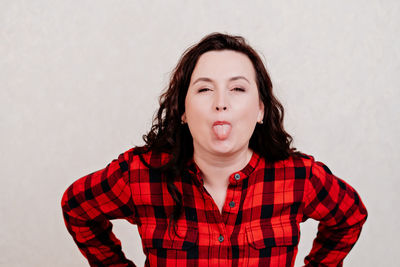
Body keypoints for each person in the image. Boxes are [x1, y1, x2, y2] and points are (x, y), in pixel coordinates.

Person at [61, 33, 368, 267]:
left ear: (260, 109)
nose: (221, 102)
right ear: (182, 110)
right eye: (205, 89)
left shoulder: (300, 177)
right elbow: (76, 207)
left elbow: (350, 215)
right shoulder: (139, 174)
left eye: (237, 88)